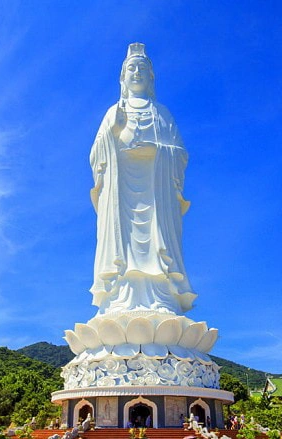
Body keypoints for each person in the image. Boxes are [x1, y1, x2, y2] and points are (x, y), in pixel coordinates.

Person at [89, 43, 195, 316]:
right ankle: (119, 298)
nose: (136, 73)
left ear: (151, 77)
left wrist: (157, 152)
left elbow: (180, 154)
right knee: (122, 247)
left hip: (156, 193)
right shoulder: (113, 112)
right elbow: (95, 156)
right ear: (122, 77)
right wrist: (111, 133)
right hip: (121, 193)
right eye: (131, 68)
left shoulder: (162, 114)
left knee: (158, 244)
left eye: (142, 69)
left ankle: (162, 297)